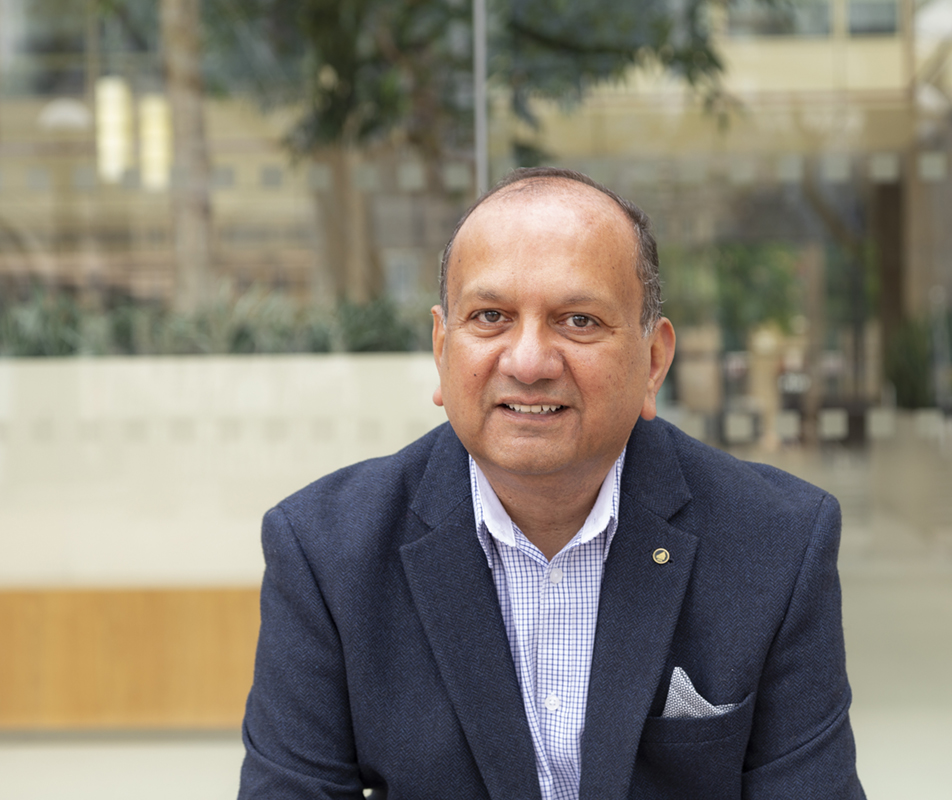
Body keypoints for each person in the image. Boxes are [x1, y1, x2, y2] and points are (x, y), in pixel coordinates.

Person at [238, 167, 866, 799]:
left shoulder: (777, 541)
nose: (530, 362)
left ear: (654, 361)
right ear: (441, 349)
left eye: (578, 321)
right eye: (490, 316)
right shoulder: (324, 552)